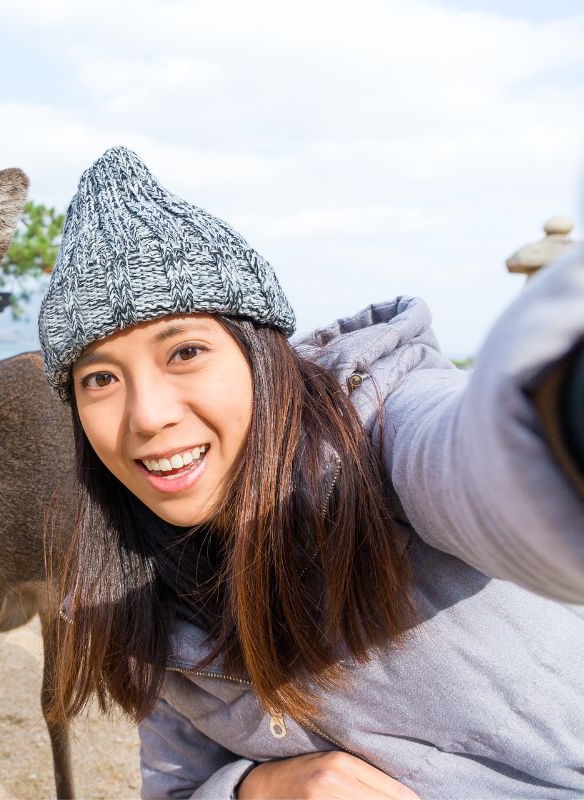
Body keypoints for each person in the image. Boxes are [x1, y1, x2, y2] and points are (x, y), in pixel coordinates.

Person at [36, 146, 584, 799]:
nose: (147, 416)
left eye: (185, 351)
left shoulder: (381, 436)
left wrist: (555, 411)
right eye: (100, 378)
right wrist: (255, 789)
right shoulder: (140, 584)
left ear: (262, 354)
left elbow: (494, 473)